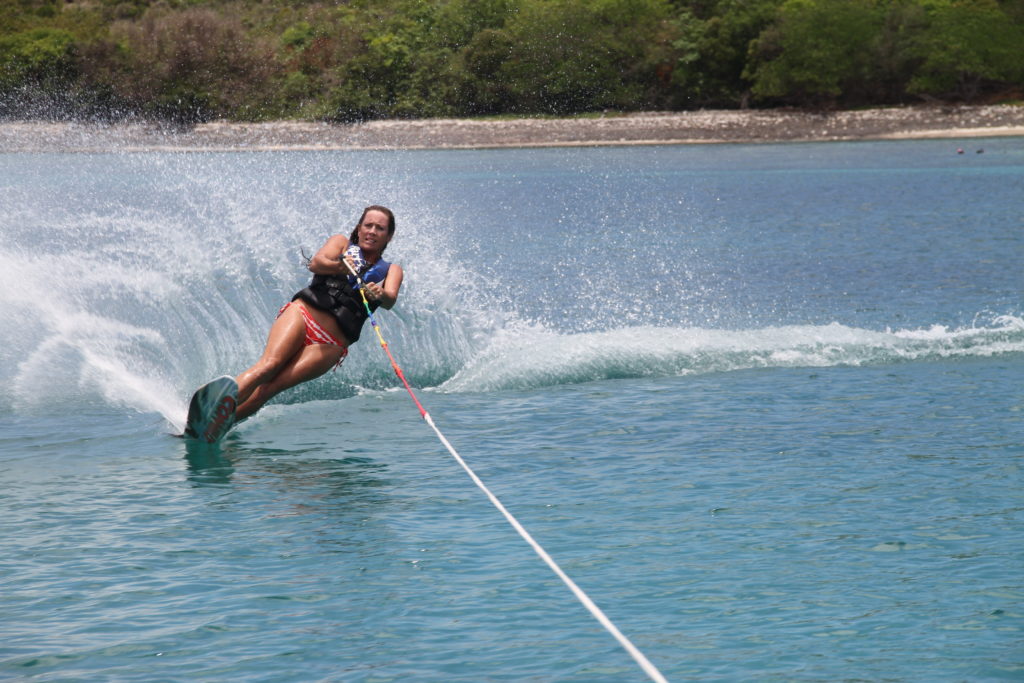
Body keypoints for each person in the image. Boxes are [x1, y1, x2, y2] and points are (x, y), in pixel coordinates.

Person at [233, 205, 404, 420]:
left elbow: (390, 300)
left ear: (389, 236)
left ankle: (215, 427)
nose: (372, 231)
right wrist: (338, 266)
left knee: (269, 389)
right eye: (368, 225)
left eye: (380, 228)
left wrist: (379, 293)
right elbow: (317, 263)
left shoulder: (391, 270)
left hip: (330, 343)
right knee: (268, 366)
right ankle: (217, 405)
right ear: (359, 228)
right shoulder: (341, 243)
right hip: (303, 315)